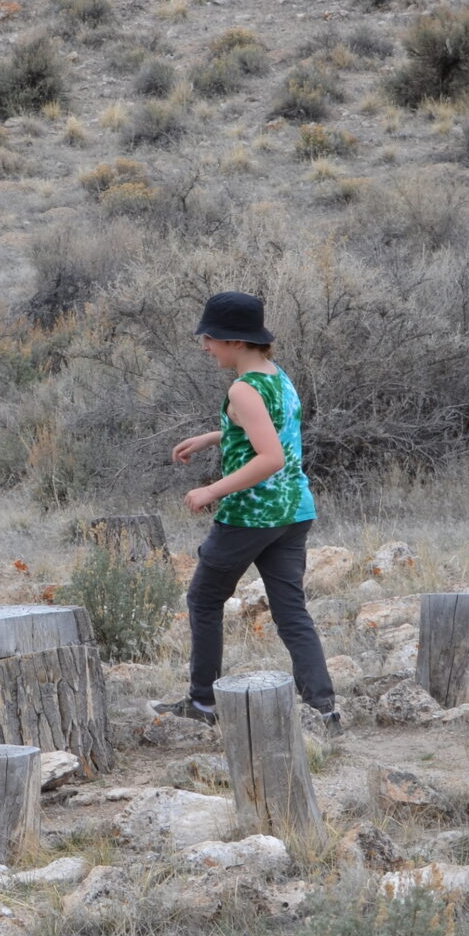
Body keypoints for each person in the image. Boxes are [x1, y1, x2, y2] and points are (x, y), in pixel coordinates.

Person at [158, 291, 341, 733]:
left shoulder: (242, 388)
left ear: (236, 341)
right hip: (294, 511)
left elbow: (270, 457)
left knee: (204, 599)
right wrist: (213, 436)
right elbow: (270, 432)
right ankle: (323, 710)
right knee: (291, 612)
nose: (206, 346)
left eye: (210, 338)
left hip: (251, 516)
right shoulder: (276, 375)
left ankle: (202, 703)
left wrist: (212, 490)